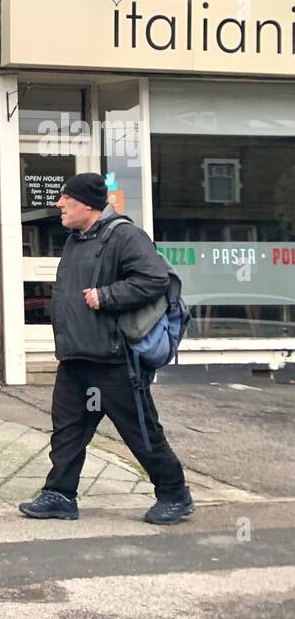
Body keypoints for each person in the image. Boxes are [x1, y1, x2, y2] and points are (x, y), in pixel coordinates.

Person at [18, 173, 192, 526]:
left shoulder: (125, 236)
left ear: (87, 203)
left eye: (65, 198)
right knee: (67, 431)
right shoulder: (75, 240)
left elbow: (154, 279)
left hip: (116, 360)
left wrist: (107, 296)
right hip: (77, 357)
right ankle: (60, 495)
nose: (59, 204)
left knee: (140, 431)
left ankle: (175, 494)